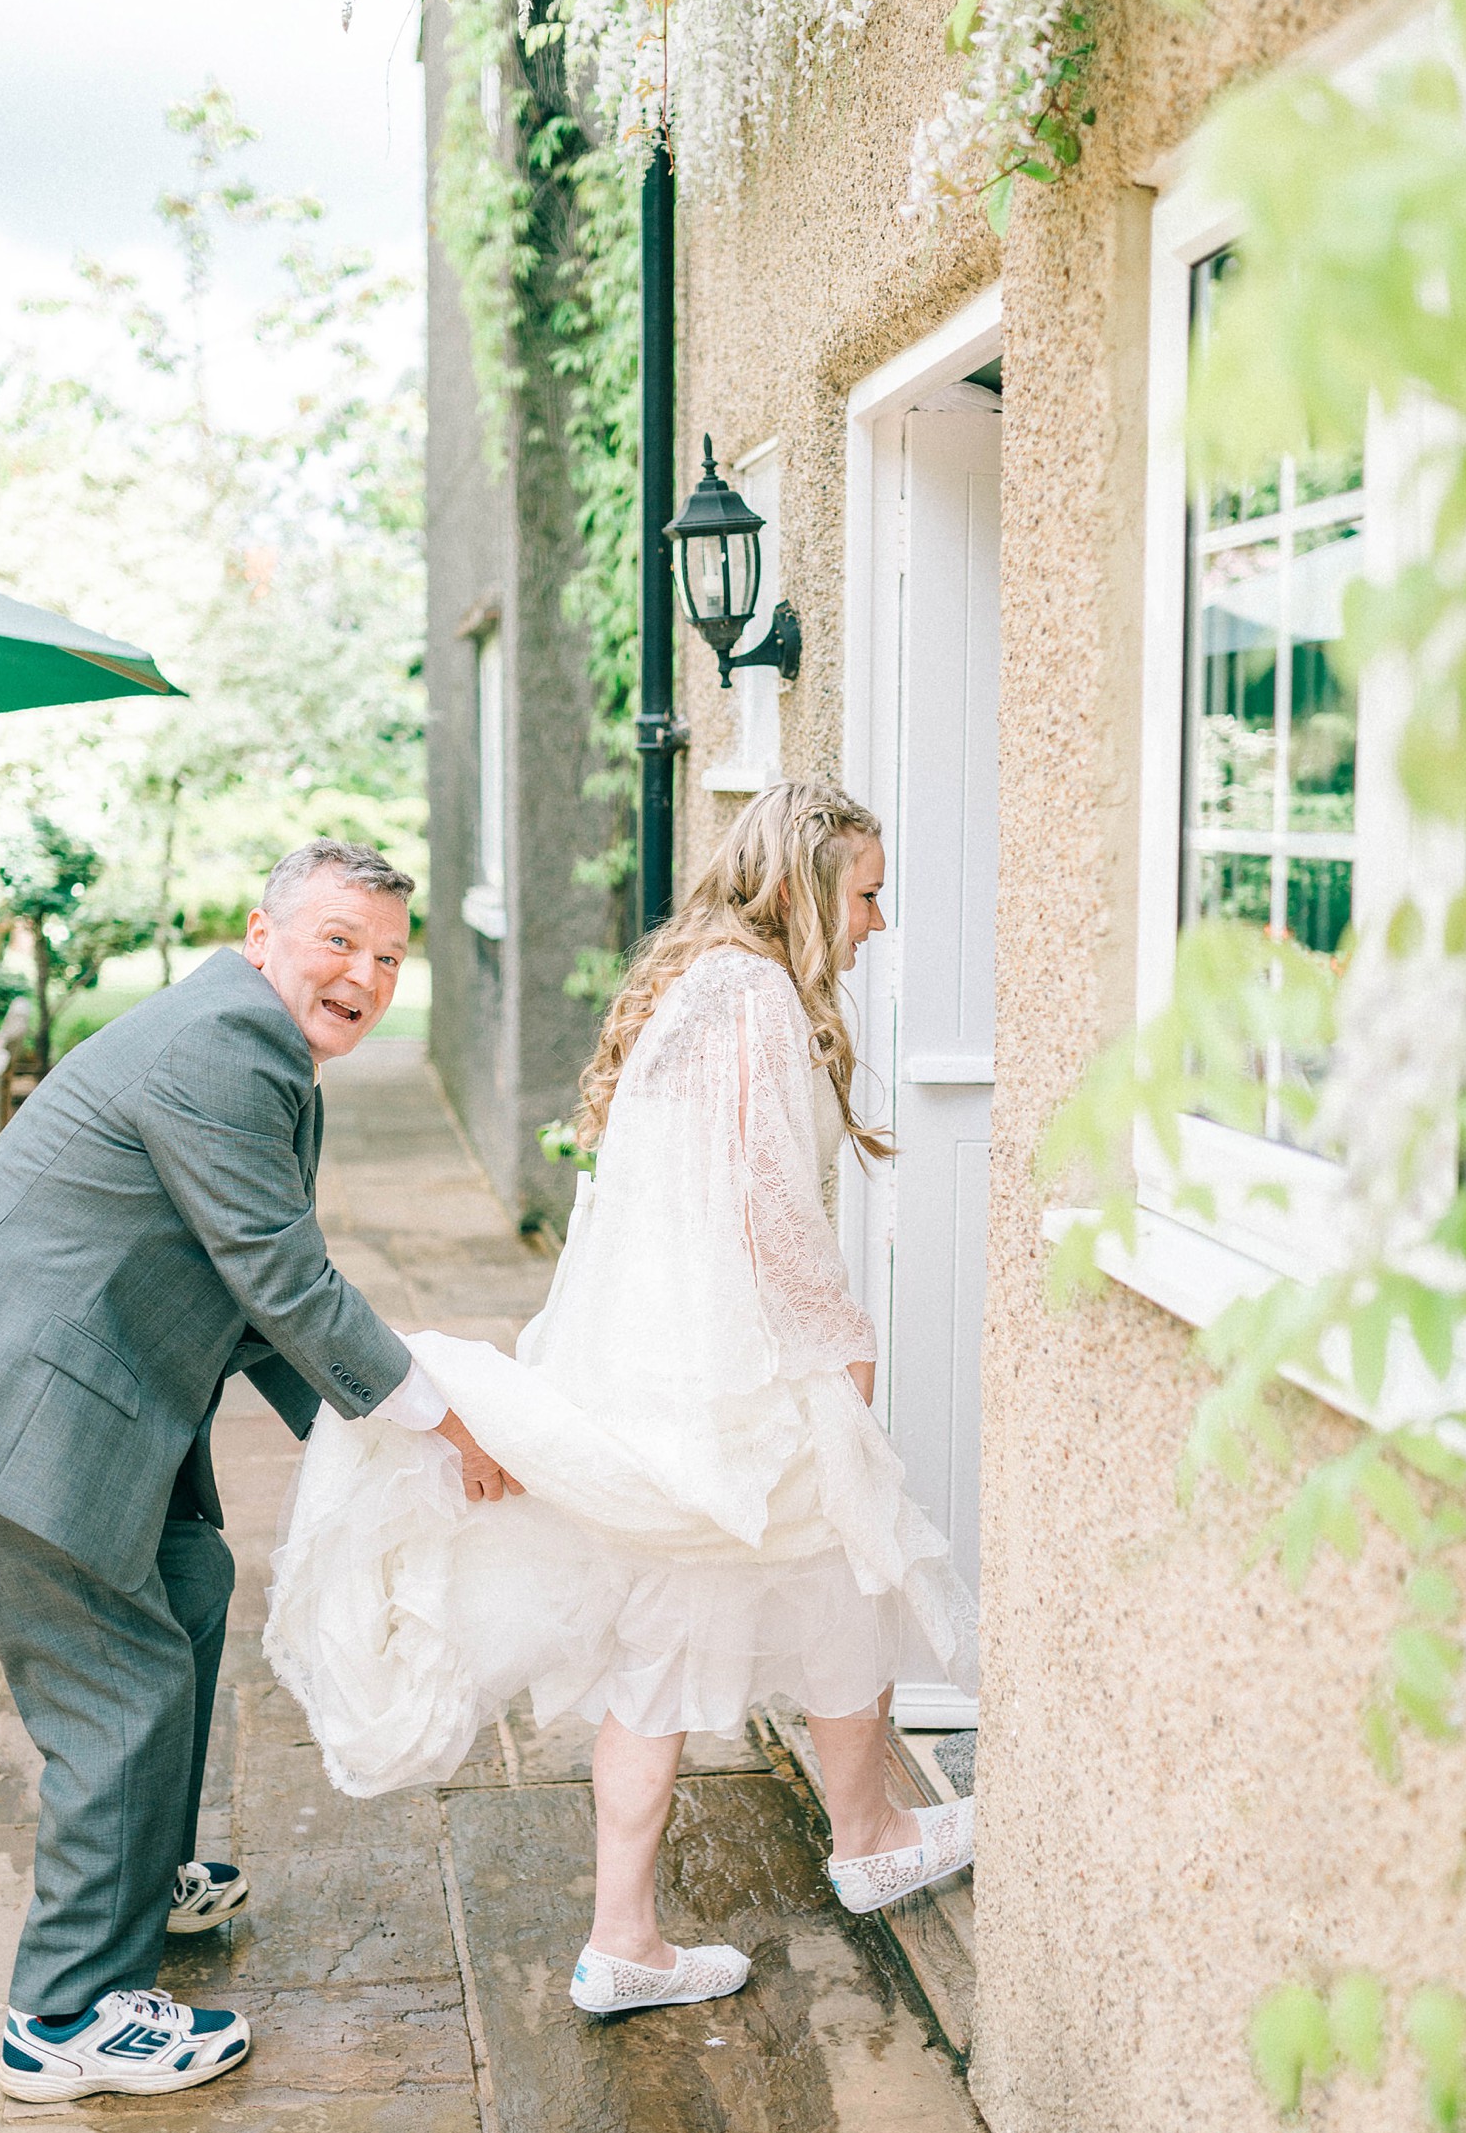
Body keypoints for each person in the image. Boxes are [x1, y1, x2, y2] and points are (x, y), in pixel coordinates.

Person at [267, 782, 979, 2018]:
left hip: (660, 1376)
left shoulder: (701, 984)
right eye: (863, 892)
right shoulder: (751, 992)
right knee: (851, 1561)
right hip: (732, 1381)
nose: (874, 918)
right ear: (807, 885)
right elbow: (764, 1206)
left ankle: (623, 1941)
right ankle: (863, 1842)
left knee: (667, 1643)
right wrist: (844, 1345)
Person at [0, 840, 504, 2101]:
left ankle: (140, 1879)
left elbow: (244, 1290)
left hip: (45, 1384)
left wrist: (362, 1442)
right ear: (262, 937)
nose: (362, 973)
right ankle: (64, 2017)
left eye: (384, 954)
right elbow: (278, 1271)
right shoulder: (224, 1045)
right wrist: (438, 1426)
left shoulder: (236, 1033)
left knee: (192, 1580)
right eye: (335, 941)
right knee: (122, 1684)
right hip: (10, 1407)